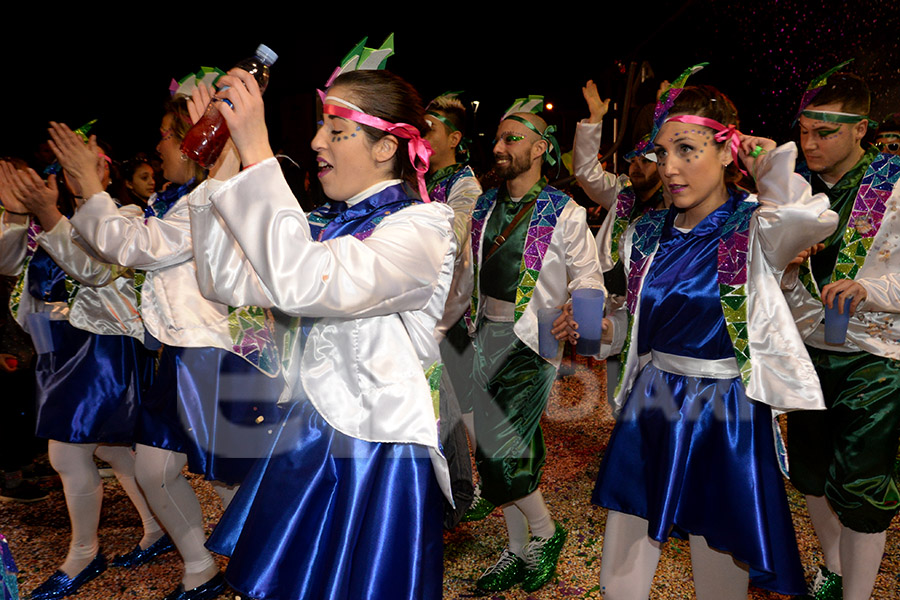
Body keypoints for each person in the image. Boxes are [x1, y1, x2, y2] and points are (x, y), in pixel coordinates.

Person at [185, 67, 456, 600]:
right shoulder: (322, 224)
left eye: (336, 130)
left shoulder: (421, 229)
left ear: (386, 148)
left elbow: (303, 283)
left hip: (375, 448)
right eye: (320, 128)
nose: (315, 142)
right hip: (310, 429)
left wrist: (261, 154)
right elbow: (223, 280)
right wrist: (223, 169)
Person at [587, 77, 838, 599]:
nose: (670, 168)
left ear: (726, 150)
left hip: (726, 407)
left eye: (687, 150)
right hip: (652, 396)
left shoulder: (755, 228)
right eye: (662, 152)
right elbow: (635, 325)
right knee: (623, 555)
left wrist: (768, 162)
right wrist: (605, 332)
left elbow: (811, 217)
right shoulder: (646, 232)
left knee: (720, 551)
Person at [48, 89, 285, 600]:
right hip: (180, 353)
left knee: (230, 479)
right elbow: (104, 253)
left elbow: (135, 247)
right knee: (156, 470)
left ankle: (268, 567)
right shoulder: (176, 201)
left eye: (166, 137)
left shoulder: (208, 203)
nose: (158, 149)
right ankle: (200, 566)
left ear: (196, 144)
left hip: (220, 353)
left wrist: (90, 185)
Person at [0, 159, 167, 600]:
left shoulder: (122, 217)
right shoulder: (41, 223)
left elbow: (93, 271)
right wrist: (17, 214)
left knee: (67, 454)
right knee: (111, 447)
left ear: (105, 175)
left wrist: (51, 216)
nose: (72, 174)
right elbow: (5, 262)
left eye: (86, 164)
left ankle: (84, 553)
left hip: (100, 347)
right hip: (56, 348)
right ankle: (157, 527)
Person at [465, 98, 605, 593]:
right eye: (499, 139)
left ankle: (546, 533)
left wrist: (582, 324)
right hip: (483, 333)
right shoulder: (484, 204)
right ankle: (517, 546)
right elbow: (469, 273)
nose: (500, 147)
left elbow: (588, 273)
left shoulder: (563, 210)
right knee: (496, 446)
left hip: (533, 338)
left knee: (504, 448)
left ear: (541, 149)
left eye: (512, 139)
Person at [783, 69, 900, 600]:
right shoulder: (796, 191)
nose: (809, 144)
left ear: (861, 130)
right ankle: (832, 568)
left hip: (873, 357)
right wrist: (783, 264)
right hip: (807, 354)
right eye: (804, 131)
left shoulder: (894, 182)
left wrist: (868, 288)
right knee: (808, 474)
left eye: (823, 133)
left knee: (861, 489)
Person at [573, 79, 669, 408]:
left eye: (647, 160)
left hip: (651, 313)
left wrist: (666, 113)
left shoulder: (675, 205)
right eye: (633, 160)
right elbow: (585, 171)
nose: (637, 166)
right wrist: (594, 121)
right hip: (614, 309)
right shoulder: (620, 193)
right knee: (618, 394)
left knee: (654, 395)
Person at [423, 94, 481, 525]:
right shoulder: (417, 177)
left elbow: (456, 238)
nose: (422, 135)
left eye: (431, 128)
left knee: (459, 408)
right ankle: (458, 490)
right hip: (424, 309)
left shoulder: (465, 185)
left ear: (454, 138)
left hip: (453, 311)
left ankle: (467, 489)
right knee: (442, 403)